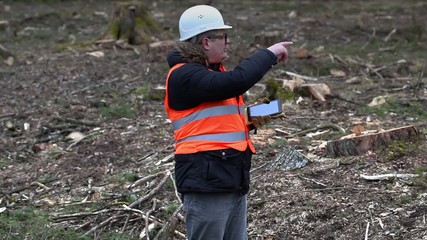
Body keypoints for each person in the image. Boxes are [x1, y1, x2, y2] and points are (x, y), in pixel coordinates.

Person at [164, 4, 292, 240]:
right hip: (207, 179)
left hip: (231, 175)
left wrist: (267, 112)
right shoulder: (185, 75)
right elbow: (236, 81)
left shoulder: (211, 74)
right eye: (223, 36)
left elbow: (219, 121)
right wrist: (269, 54)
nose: (228, 42)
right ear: (205, 42)